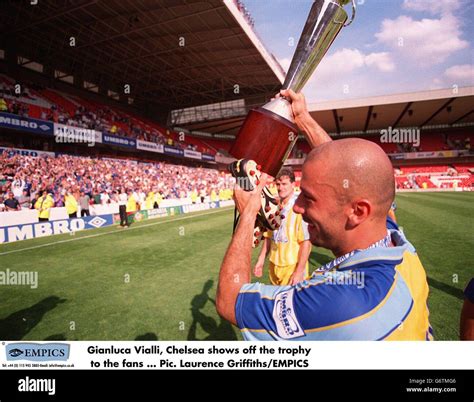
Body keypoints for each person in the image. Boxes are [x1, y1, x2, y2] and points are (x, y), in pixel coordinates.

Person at [216, 89, 432, 341]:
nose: (297, 207)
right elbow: (344, 170)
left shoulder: (339, 302)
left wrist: (249, 212)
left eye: (309, 198)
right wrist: (303, 118)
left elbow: (229, 299)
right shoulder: (401, 249)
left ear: (357, 212)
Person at [254, 168, 311, 285]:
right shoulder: (274, 208)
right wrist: (260, 260)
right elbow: (269, 237)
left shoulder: (299, 209)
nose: (280, 188)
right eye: (278, 184)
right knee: (277, 302)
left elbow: (306, 242)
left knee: (294, 303)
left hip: (292, 267)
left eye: (284, 184)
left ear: (293, 184)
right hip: (274, 266)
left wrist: (299, 271)